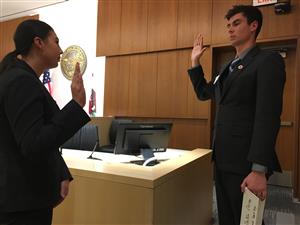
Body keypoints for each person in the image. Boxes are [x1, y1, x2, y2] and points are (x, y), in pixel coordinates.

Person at [187, 5, 285, 225]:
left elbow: (268, 116)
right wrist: (195, 63)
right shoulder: (227, 67)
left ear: (253, 26)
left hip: (247, 162)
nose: (230, 29)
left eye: (236, 23)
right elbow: (205, 93)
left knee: (247, 220)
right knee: (228, 218)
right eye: (228, 25)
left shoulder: (267, 61)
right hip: (222, 158)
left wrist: (259, 169)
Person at [0, 19, 90, 224]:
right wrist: (76, 105)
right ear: (39, 43)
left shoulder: (19, 77)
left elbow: (32, 135)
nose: (60, 49)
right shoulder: (21, 81)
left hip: (23, 200)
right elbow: (33, 144)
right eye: (56, 42)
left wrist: (60, 171)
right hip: (22, 204)